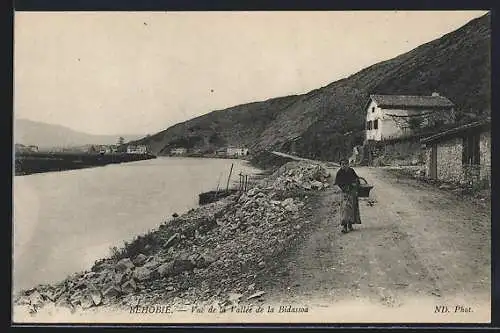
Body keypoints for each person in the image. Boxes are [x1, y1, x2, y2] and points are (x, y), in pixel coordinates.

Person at [334, 158, 362, 233]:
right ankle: (344, 226)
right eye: (342, 164)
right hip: (345, 194)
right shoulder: (339, 172)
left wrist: (355, 183)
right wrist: (345, 188)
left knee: (352, 209)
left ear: (348, 164)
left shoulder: (351, 171)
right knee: (345, 209)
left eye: (346, 164)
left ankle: (350, 225)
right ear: (340, 165)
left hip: (352, 193)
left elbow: (357, 179)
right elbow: (338, 183)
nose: (344, 166)